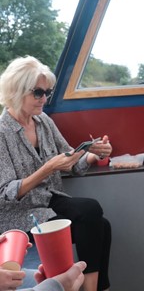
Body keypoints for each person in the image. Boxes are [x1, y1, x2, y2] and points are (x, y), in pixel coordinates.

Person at [0, 56, 112, 291]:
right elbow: (6, 193)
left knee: (101, 225)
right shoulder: (2, 132)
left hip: (50, 202)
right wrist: (48, 168)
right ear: (17, 91)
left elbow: (70, 160)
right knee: (90, 210)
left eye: (47, 92)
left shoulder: (43, 122)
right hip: (20, 215)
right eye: (38, 93)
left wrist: (92, 154)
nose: (44, 98)